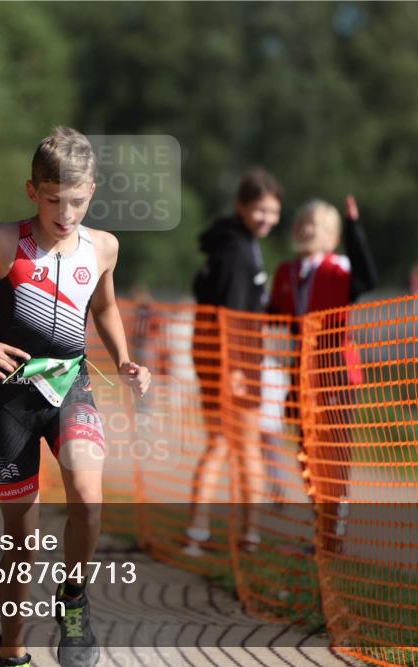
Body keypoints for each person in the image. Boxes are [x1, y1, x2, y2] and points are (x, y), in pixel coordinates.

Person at [0, 127, 150, 667]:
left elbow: (103, 307)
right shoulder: (1, 242)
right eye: (54, 200)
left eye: (78, 202)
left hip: (72, 388)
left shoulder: (104, 246)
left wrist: (124, 357)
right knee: (23, 536)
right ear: (31, 191)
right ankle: (10, 649)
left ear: (93, 193)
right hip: (12, 399)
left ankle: (75, 601)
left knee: (88, 495)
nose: (65, 214)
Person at [268, 195, 378, 554]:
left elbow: (368, 279)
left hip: (336, 370)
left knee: (333, 448)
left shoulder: (338, 269)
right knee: (306, 447)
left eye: (312, 224)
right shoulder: (286, 273)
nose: (303, 230)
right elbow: (270, 313)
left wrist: (356, 230)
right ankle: (320, 520)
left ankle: (335, 525)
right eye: (300, 223)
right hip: (301, 371)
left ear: (331, 235)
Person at [187, 167, 283, 555]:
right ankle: (247, 533)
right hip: (235, 360)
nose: (267, 219)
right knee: (241, 447)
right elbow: (234, 314)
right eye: (260, 210)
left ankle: (201, 529)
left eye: (273, 212)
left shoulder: (229, 242)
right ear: (241, 207)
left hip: (216, 356)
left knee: (221, 444)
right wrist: (240, 369)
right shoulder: (238, 250)